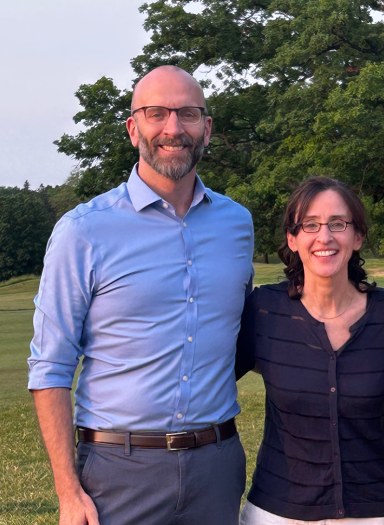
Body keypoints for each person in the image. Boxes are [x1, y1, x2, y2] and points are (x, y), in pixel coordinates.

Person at [27, 65, 254, 525]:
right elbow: (50, 365)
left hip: (217, 464)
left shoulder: (238, 224)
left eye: (188, 114)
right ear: (134, 128)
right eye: (156, 114)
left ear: (206, 128)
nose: (173, 128)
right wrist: (68, 492)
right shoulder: (83, 231)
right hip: (117, 471)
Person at [235, 177, 384, 525]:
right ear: (292, 238)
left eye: (338, 224)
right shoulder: (263, 312)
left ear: (358, 236)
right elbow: (207, 380)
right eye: (310, 225)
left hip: (375, 512)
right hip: (278, 511)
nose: (325, 237)